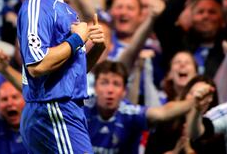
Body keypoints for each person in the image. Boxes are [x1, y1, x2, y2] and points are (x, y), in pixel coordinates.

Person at [17, 0, 106, 153]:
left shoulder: (65, 10)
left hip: (65, 109)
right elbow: (37, 65)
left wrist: (96, 47)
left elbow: (69, 73)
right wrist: (77, 39)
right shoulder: (38, 5)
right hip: (53, 110)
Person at [84, 60, 212, 154]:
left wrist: (194, 102)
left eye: (116, 84)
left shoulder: (129, 113)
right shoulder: (81, 110)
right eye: (104, 83)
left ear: (124, 91)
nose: (110, 90)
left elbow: (163, 113)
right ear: (95, 87)